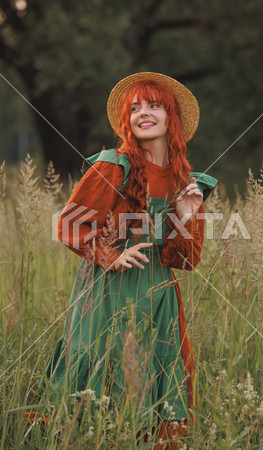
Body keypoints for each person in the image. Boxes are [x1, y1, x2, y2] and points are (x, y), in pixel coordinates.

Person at [42, 72, 218, 446]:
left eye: (154, 106)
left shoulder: (184, 180)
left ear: (172, 118)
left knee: (154, 370)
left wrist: (185, 217)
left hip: (158, 294)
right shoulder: (113, 165)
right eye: (135, 108)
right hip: (107, 290)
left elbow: (185, 260)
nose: (143, 113)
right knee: (104, 366)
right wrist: (109, 255)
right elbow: (70, 224)